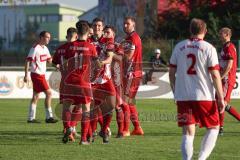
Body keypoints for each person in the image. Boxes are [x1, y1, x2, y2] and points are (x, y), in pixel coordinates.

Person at [169, 18, 225, 160]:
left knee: (188, 132)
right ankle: (201, 158)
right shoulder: (209, 48)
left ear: (190, 30)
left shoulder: (179, 46)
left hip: (183, 96)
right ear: (205, 31)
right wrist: (221, 97)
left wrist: (175, 91)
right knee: (214, 127)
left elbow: (171, 72)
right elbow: (215, 75)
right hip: (204, 96)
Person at [60, 21, 98, 145]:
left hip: (70, 81)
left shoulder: (70, 46)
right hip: (84, 82)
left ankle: (68, 128)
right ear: (87, 32)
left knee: (66, 107)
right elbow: (97, 65)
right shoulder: (91, 47)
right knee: (86, 109)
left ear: (77, 32)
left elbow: (64, 63)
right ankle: (83, 139)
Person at [24, 31, 58, 123]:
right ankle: (49, 117)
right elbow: (27, 61)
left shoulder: (45, 49)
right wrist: (26, 75)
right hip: (36, 74)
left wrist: (57, 65)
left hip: (41, 75)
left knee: (35, 96)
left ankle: (31, 118)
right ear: (41, 37)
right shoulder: (35, 48)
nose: (49, 39)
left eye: (49, 37)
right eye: (47, 37)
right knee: (49, 93)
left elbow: (49, 61)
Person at [52, 27, 79, 141]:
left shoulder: (60, 49)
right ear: (76, 36)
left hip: (64, 81)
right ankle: (71, 127)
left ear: (66, 36)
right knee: (79, 106)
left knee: (65, 107)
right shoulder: (78, 47)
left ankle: (67, 129)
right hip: (77, 81)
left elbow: (54, 63)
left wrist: (58, 66)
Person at [121, 16, 144, 136]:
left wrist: (114, 54)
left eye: (128, 24)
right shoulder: (127, 38)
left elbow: (128, 57)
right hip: (130, 73)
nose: (125, 26)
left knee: (125, 101)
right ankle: (137, 128)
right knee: (129, 102)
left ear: (133, 25)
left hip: (132, 73)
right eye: (124, 24)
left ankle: (126, 129)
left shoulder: (133, 38)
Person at [218, 27, 240, 135]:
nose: (219, 35)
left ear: (227, 34)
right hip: (224, 79)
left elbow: (229, 66)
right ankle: (219, 127)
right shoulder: (225, 46)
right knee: (220, 103)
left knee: (222, 103)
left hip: (227, 79)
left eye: (221, 33)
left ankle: (219, 128)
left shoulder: (229, 47)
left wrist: (221, 77)